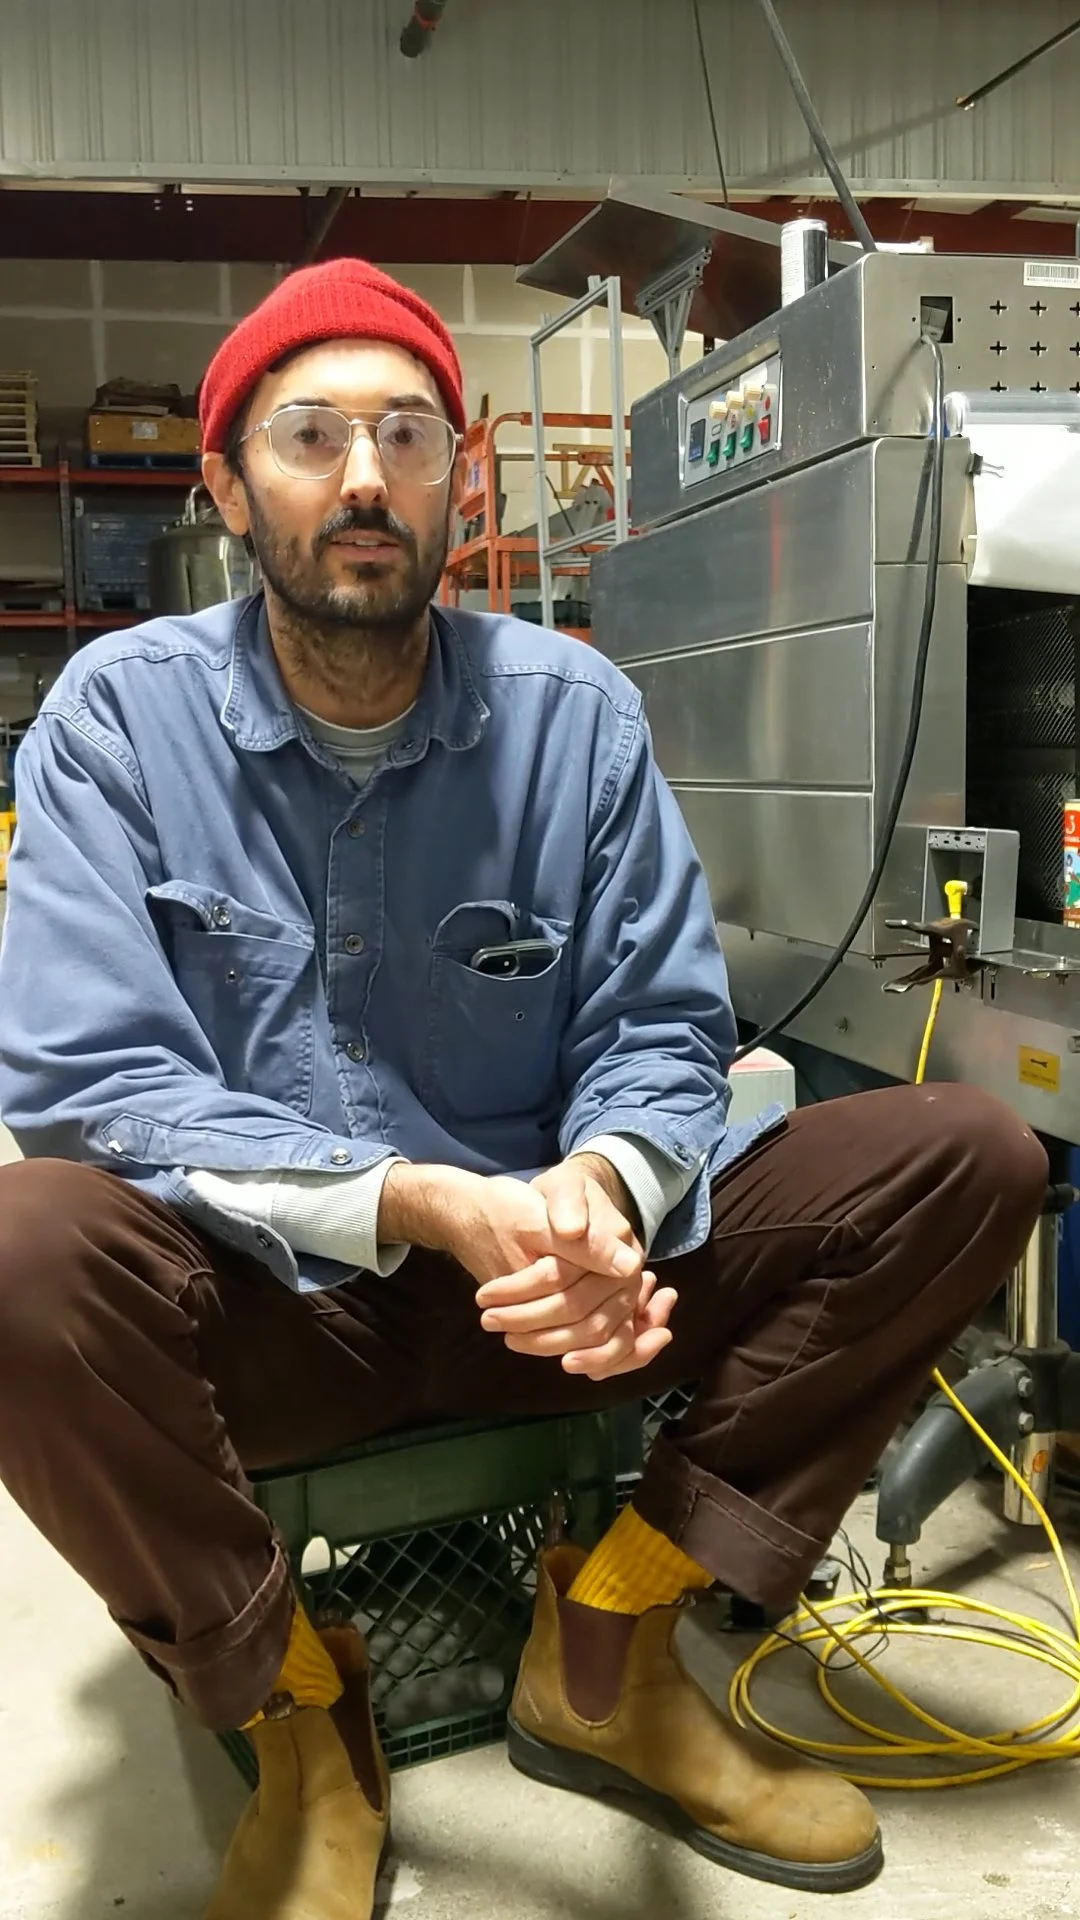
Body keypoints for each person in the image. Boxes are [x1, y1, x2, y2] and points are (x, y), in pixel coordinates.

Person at [0, 258, 1047, 1919]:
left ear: (457, 478)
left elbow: (657, 1029)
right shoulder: (116, 728)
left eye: (406, 435)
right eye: (310, 435)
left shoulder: (577, 718)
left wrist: (611, 1192)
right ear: (225, 485)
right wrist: (417, 1202)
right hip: (279, 1314)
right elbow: (92, 1080)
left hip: (547, 1301)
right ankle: (294, 1714)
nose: (364, 478)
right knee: (24, 1250)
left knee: (963, 1152)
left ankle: (612, 1647)